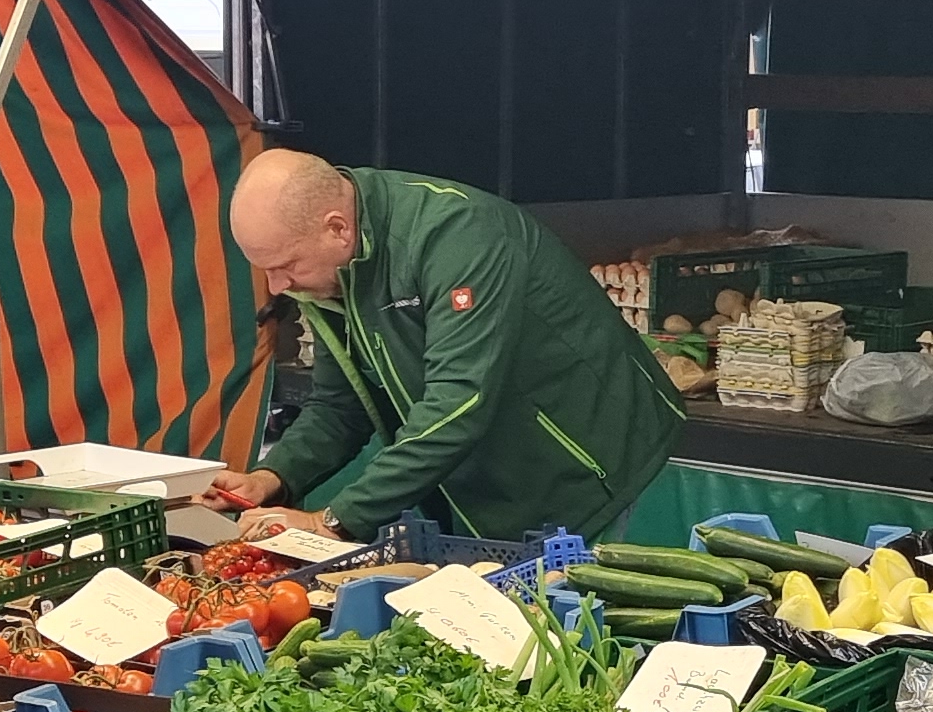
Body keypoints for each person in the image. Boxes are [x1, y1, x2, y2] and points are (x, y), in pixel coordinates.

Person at [205, 148, 683, 541]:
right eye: (263, 268)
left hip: (599, 472)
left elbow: (459, 402)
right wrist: (272, 477)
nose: (276, 286)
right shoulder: (331, 272)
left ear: (337, 227)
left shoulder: (459, 233)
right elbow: (339, 406)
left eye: (286, 264)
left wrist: (332, 520)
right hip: (495, 488)